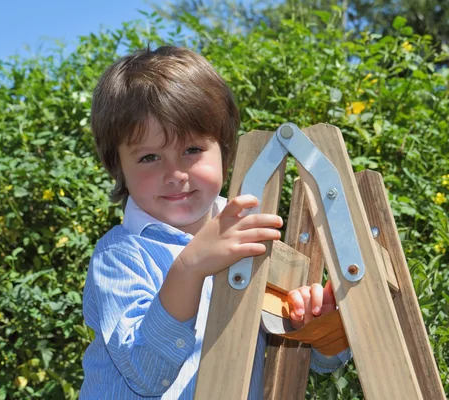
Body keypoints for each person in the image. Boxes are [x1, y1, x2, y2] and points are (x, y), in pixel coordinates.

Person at [80, 46, 351, 399]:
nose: (175, 175)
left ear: (224, 151)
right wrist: (190, 266)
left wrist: (316, 323)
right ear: (119, 169)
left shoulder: (250, 239)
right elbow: (145, 373)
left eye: (192, 150)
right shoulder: (121, 256)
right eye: (149, 157)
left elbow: (320, 364)